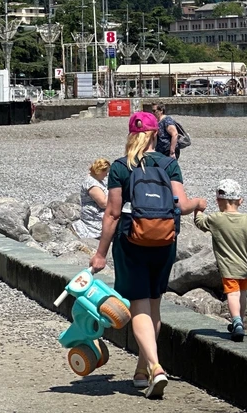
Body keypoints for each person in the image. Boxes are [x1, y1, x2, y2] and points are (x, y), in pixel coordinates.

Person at [89, 112, 208, 399]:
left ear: (131, 135)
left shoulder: (120, 167)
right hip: (165, 240)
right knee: (153, 306)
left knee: (139, 306)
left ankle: (155, 367)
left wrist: (100, 253)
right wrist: (200, 203)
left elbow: (113, 213)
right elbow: (181, 205)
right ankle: (141, 372)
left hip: (132, 241)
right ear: (157, 134)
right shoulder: (169, 165)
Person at [193, 179, 247, 342]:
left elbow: (200, 223)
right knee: (242, 294)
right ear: (240, 201)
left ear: (218, 201)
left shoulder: (216, 219)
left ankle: (236, 321)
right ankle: (240, 322)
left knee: (232, 293)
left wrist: (198, 210)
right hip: (245, 265)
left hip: (227, 266)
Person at [72, 158, 110, 239]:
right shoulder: (92, 183)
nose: (106, 175)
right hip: (94, 216)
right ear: (99, 171)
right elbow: (103, 203)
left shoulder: (99, 179)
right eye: (105, 172)